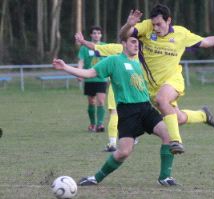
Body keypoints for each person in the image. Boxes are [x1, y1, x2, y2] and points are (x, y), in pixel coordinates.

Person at [116, 4, 214, 153]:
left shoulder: (181, 34)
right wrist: (129, 24)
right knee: (177, 118)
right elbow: (123, 36)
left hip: (173, 80)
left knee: (162, 100)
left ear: (169, 20)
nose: (156, 28)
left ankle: (175, 141)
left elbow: (206, 41)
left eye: (159, 24)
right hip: (152, 86)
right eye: (154, 25)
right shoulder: (146, 27)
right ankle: (203, 115)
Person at [53, 36, 177, 186]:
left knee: (169, 136)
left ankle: (165, 177)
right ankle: (96, 178)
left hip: (146, 108)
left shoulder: (142, 61)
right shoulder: (114, 60)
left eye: (138, 42)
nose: (136, 45)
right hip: (128, 111)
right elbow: (90, 73)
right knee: (124, 152)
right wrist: (66, 67)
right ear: (123, 44)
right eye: (132, 41)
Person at [77, 26, 107, 132]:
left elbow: (111, 61)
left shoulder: (105, 47)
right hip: (89, 78)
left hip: (101, 78)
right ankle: (92, 124)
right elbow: (81, 61)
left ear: (101, 35)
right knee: (91, 102)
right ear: (91, 35)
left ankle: (100, 124)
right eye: (94, 33)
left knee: (101, 101)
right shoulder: (84, 48)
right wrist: (79, 73)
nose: (96, 35)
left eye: (98, 33)